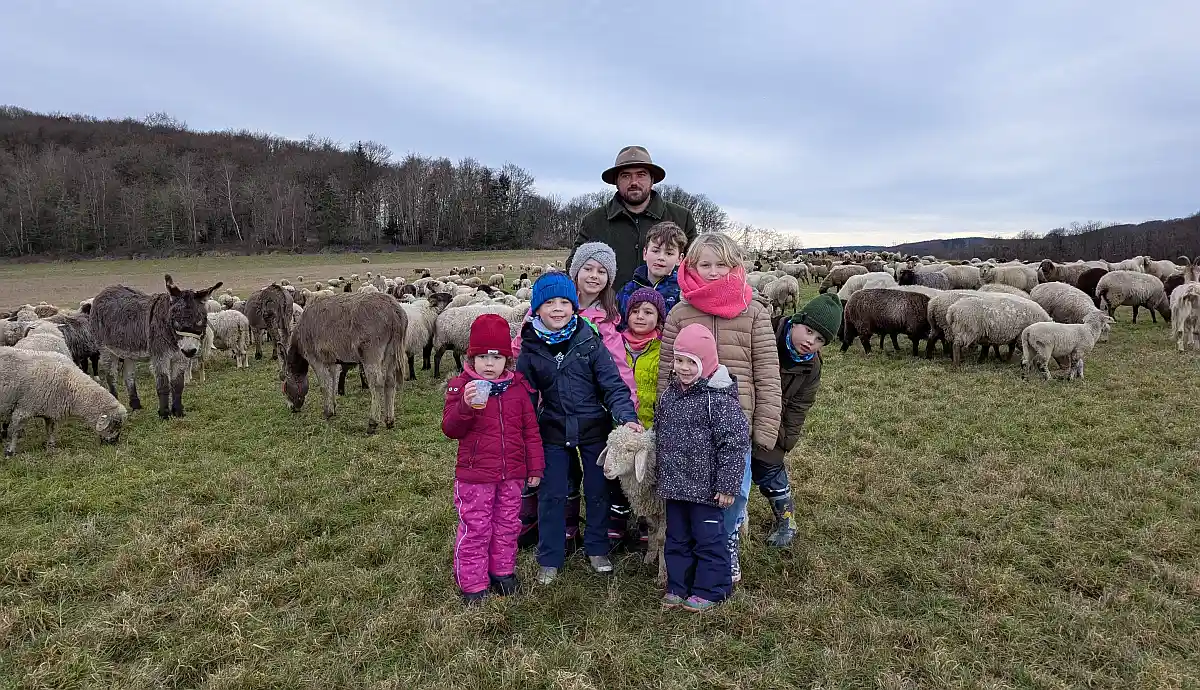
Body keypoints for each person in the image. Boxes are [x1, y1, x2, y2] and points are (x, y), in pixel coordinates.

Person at [657, 233, 781, 584]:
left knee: (735, 491)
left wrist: (766, 425)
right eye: (704, 265)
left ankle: (726, 544)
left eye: (720, 264)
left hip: (735, 423)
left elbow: (768, 373)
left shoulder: (753, 311)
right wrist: (663, 421)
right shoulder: (680, 313)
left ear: (735, 266)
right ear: (690, 267)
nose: (712, 272)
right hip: (688, 426)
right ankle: (695, 550)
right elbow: (668, 372)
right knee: (691, 492)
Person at [516, 272, 642, 585]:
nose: (557, 308)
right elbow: (526, 397)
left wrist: (626, 416)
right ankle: (550, 556)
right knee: (552, 492)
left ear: (574, 306)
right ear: (537, 309)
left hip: (592, 427)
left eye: (563, 302)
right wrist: (522, 435)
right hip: (553, 430)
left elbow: (612, 384)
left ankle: (597, 547)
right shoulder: (531, 348)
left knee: (598, 490)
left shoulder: (589, 340)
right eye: (548, 302)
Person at [442, 314, 545, 605]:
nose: (490, 364)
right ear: (471, 357)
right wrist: (465, 405)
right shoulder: (460, 387)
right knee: (476, 526)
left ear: (507, 360)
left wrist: (534, 466)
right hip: (475, 475)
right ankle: (473, 583)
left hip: (512, 474)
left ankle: (502, 572)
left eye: (497, 357)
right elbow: (451, 428)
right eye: (483, 357)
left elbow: (530, 430)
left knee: (507, 523)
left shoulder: (518, 389)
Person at [655, 323, 750, 612]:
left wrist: (727, 485)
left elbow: (734, 445)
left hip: (707, 490)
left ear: (706, 363)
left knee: (709, 540)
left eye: (691, 362)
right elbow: (661, 435)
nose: (683, 368)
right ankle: (678, 587)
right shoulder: (670, 395)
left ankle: (713, 589)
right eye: (679, 360)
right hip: (675, 486)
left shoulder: (718, 400)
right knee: (677, 539)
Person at [753, 294, 843, 547]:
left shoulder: (812, 367)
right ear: (797, 320)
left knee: (769, 465)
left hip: (774, 420)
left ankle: (786, 519)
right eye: (809, 330)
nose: (810, 341)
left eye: (820, 339)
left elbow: (799, 406)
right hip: (742, 406)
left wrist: (784, 441)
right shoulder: (765, 332)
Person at [568, 146, 698, 289]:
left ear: (652, 179)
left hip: (670, 309)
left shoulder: (681, 218)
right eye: (626, 176)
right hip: (609, 309)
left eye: (641, 175)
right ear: (616, 181)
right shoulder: (594, 221)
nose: (634, 182)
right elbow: (574, 267)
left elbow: (698, 267)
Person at [616, 220, 687, 327]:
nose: (661, 258)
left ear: (679, 259)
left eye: (669, 253)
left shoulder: (683, 292)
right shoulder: (627, 290)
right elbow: (617, 326)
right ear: (645, 253)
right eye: (655, 251)